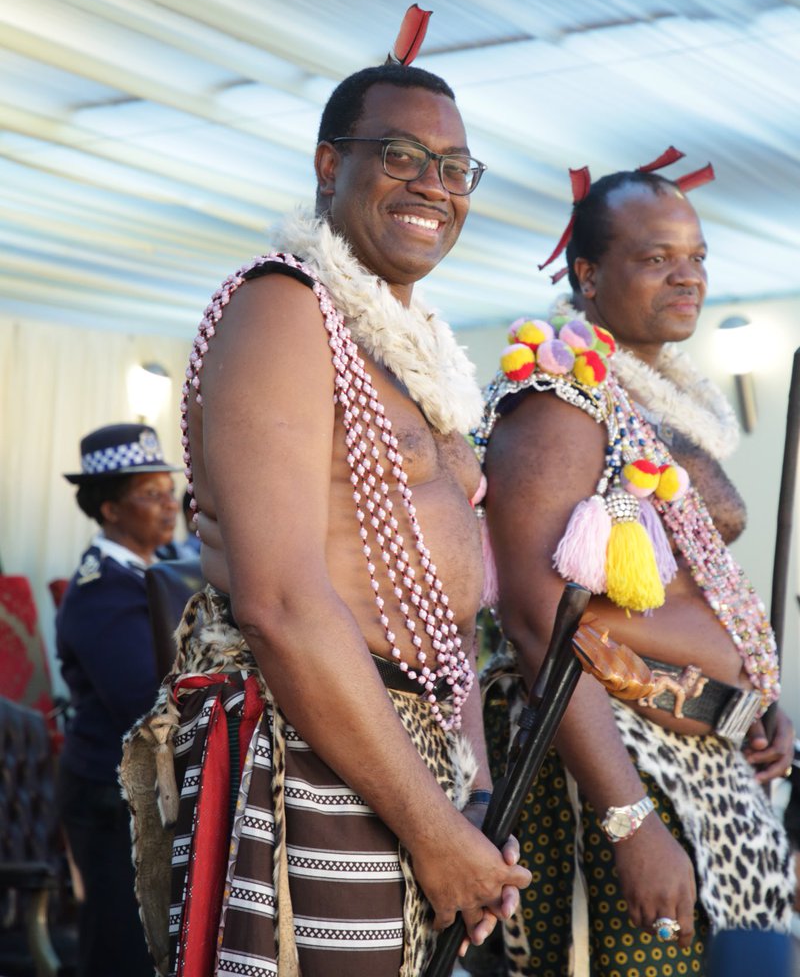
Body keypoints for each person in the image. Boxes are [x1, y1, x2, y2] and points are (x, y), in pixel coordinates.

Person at [124, 61, 531, 977]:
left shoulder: (411, 356)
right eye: (401, 155)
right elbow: (279, 603)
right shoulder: (281, 306)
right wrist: (432, 829)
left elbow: (447, 613)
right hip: (312, 747)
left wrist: (469, 793)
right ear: (327, 165)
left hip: (407, 756)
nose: (433, 185)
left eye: (455, 167)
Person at [473, 160, 796, 976]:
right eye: (657, 258)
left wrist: (750, 702)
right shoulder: (557, 399)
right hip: (615, 775)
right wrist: (631, 824)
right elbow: (535, 618)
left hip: (711, 770)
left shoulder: (654, 402)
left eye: (696, 256)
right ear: (586, 274)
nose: (688, 275)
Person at [57, 422, 183, 977]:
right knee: (121, 946)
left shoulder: (164, 563)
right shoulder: (102, 590)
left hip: (148, 788)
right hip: (109, 798)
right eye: (151, 494)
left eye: (170, 491)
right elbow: (144, 701)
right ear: (110, 509)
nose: (170, 505)